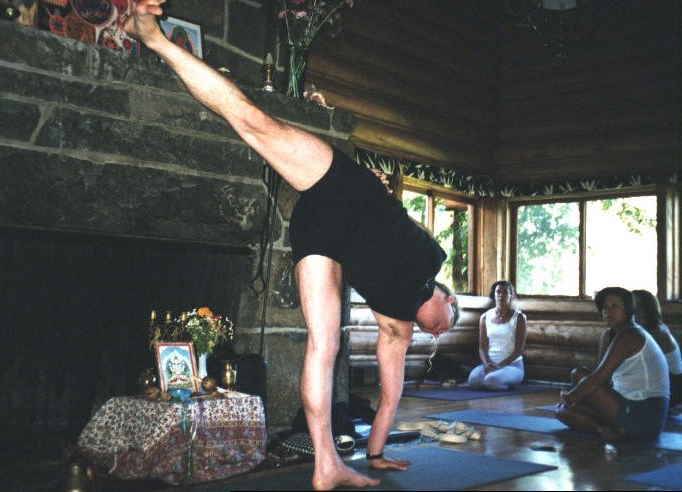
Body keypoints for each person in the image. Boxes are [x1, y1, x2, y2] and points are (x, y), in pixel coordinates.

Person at [123, 2, 459, 489]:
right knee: (253, 122)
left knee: (324, 344)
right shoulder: (433, 258)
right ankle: (152, 37)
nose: (440, 330)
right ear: (446, 298)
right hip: (342, 186)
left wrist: (377, 454)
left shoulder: (398, 332)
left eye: (441, 335)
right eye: (448, 321)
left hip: (325, 234)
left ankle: (327, 464)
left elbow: (389, 399)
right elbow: (399, 221)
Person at [555, 287, 669, 441]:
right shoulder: (613, 334)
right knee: (562, 411)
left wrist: (570, 397)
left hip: (645, 413)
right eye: (605, 307)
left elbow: (598, 378)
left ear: (628, 309)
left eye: (615, 306)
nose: (608, 311)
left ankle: (618, 429)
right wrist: (574, 396)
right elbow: (603, 381)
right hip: (625, 403)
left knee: (578, 381)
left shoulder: (631, 335)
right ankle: (606, 429)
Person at [467, 280, 527, 391]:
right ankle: (495, 382)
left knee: (491, 380)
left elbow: (519, 350)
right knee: (473, 380)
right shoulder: (485, 317)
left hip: (512, 366)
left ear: (511, 295)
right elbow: (482, 348)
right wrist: (486, 365)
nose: (501, 295)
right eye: (498, 292)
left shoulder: (519, 318)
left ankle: (505, 384)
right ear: (494, 294)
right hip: (490, 366)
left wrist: (500, 366)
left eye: (505, 292)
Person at [632, 289, 682, 409]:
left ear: (647, 310)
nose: (634, 311)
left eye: (639, 307)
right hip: (660, 385)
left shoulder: (656, 332)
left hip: (670, 391)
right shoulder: (649, 328)